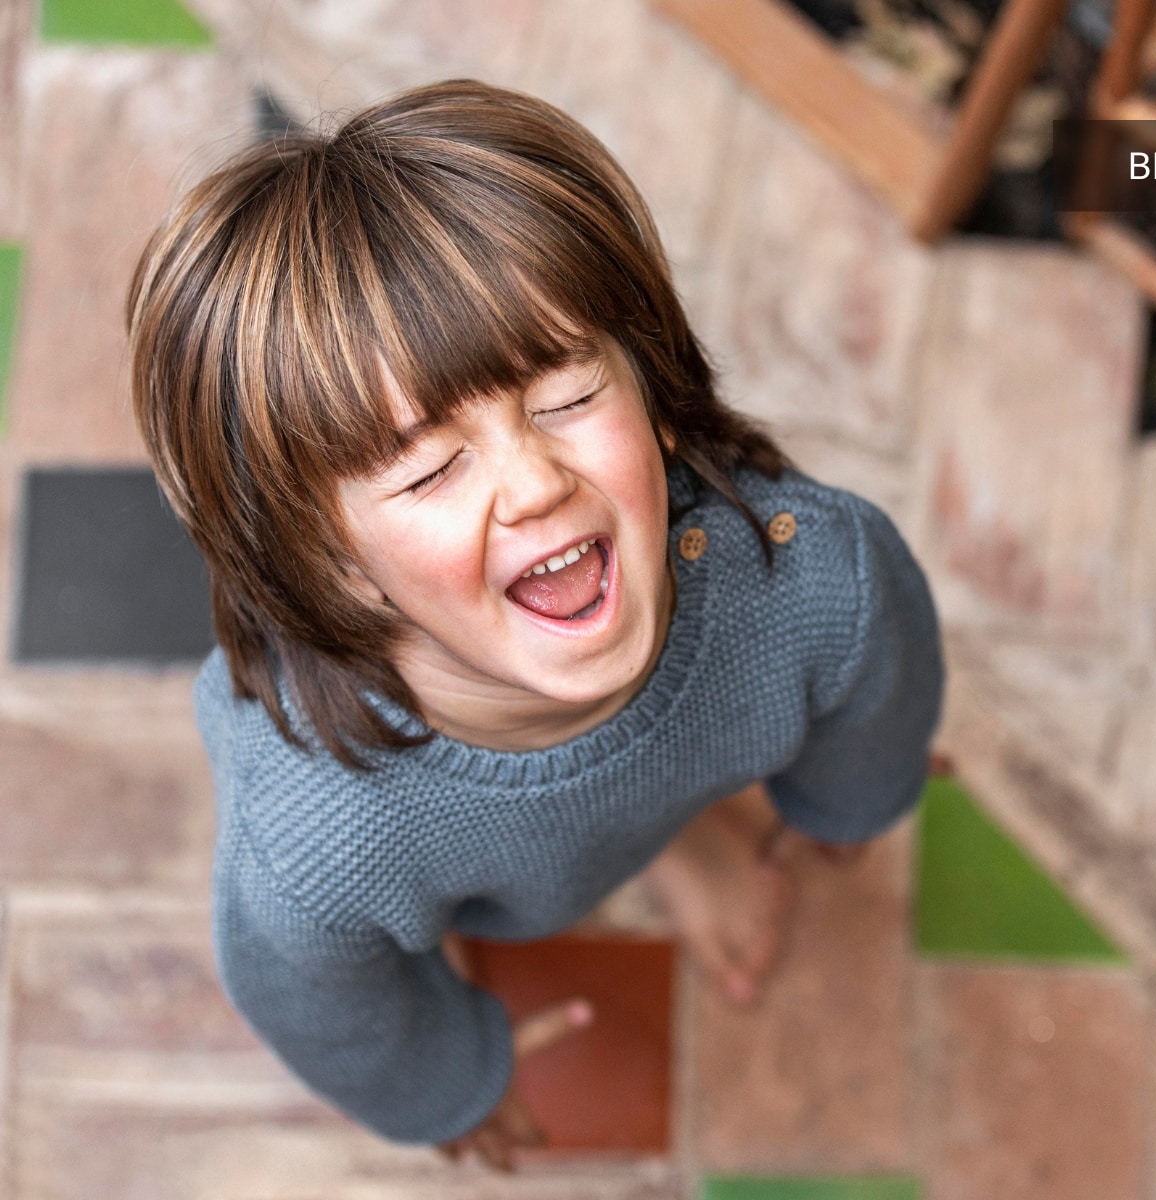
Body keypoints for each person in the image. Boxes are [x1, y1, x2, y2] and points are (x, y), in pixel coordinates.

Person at [125, 78, 944, 1171]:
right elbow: (319, 999)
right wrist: (444, 1085)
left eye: (565, 398)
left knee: (661, 769)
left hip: (669, 777)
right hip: (452, 864)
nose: (534, 482)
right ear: (333, 564)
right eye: (429, 469)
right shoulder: (319, 840)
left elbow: (881, 677)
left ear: (653, 392)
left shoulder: (811, 576)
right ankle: (580, 869)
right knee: (408, 917)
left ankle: (681, 833)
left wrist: (853, 795)